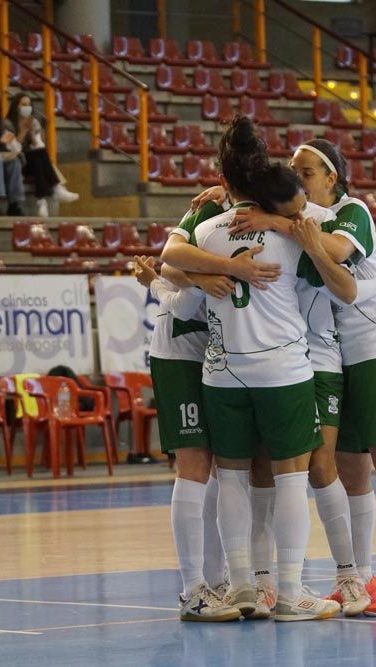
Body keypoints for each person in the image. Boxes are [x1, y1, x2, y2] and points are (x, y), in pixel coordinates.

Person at [227, 138, 376, 616]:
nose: (296, 176)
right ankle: (359, 580)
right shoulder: (295, 222)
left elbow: (339, 260)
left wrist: (276, 221)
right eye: (293, 171)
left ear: (332, 177)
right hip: (338, 359)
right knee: (352, 473)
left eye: (306, 171)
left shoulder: (351, 211)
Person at [132, 234, 241, 622]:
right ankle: (193, 589)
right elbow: (179, 301)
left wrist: (160, 281)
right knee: (194, 467)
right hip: (181, 359)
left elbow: (168, 278)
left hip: (218, 359)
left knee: (222, 469)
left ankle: (217, 579)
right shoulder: (204, 227)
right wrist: (192, 280)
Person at [6, 93, 79, 217]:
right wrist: (23, 131)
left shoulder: (33, 122)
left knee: (39, 159)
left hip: (32, 161)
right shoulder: (7, 123)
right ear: (15, 106)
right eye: (23, 104)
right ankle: (56, 188)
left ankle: (42, 202)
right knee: (38, 157)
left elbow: (40, 147)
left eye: (29, 105)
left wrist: (33, 135)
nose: (27, 107)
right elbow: (12, 149)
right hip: (15, 162)